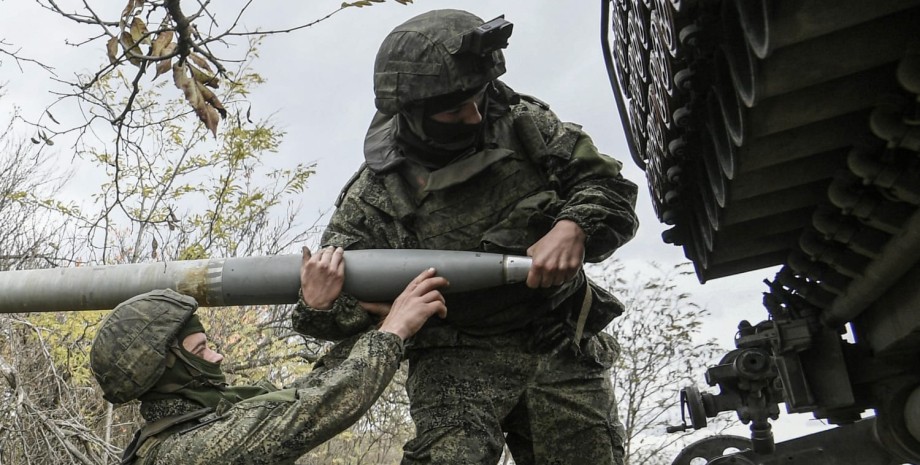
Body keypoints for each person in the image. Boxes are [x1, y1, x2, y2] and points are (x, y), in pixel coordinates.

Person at [292, 9, 640, 465]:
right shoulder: (376, 195)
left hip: (556, 338)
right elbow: (335, 306)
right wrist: (324, 306)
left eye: (478, 98)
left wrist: (574, 225)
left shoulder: (524, 125)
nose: (474, 116)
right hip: (455, 357)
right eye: (454, 110)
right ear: (413, 113)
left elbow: (608, 186)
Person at [89, 246, 448, 465]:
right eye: (200, 350)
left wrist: (370, 323)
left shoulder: (198, 422)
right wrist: (392, 331)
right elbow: (318, 408)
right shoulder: (188, 452)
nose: (217, 357)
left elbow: (308, 390)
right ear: (164, 370)